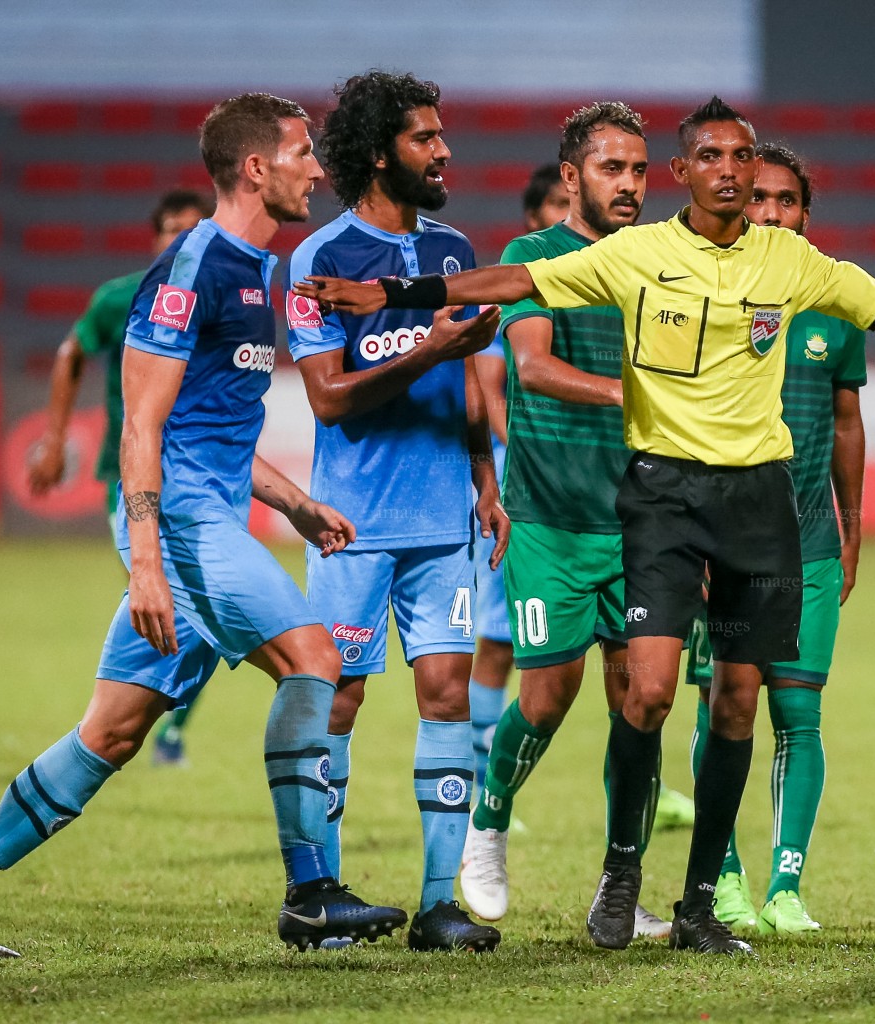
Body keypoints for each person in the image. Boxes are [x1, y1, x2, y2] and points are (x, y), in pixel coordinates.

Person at [296, 95, 875, 956]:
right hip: (649, 502)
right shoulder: (639, 253)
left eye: (743, 156)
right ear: (685, 172)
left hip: (755, 504)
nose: (730, 171)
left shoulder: (792, 261)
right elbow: (510, 289)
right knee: (630, 693)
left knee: (732, 702)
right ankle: (586, 855)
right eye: (711, 157)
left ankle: (694, 903)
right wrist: (388, 291)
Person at [0, 93, 407, 958]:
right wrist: (146, 563)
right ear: (256, 167)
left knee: (113, 730)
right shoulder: (193, 269)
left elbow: (207, 430)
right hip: (178, 526)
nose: (317, 170)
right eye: (301, 153)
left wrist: (293, 502)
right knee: (315, 659)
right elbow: (140, 427)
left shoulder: (256, 270)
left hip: (204, 516)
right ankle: (312, 896)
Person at [285, 70, 505, 953]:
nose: (444, 149)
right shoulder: (319, 259)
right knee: (336, 699)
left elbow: (468, 377)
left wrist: (486, 478)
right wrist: (432, 350)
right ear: (380, 154)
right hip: (354, 522)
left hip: (444, 517)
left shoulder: (454, 251)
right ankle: (323, 897)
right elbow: (330, 401)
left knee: (447, 693)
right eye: (425, 137)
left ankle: (438, 903)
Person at [456, 102, 685, 943]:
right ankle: (488, 821)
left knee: (645, 698)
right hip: (551, 519)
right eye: (610, 169)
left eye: (638, 169)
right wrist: (631, 394)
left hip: (646, 520)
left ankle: (620, 883)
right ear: (571, 178)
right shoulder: (535, 256)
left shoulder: (664, 262)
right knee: (548, 696)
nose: (629, 185)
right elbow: (534, 366)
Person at [684, 142, 865, 936]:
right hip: (720, 538)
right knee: (725, 704)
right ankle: (721, 880)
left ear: (805, 214)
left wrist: (852, 525)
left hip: (811, 540)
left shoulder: (832, 301)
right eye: (758, 198)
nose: (770, 212)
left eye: (787, 200)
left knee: (798, 711)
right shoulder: (704, 291)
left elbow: (848, 421)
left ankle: (786, 888)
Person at [27, 188, 215, 770]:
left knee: (204, 620)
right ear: (154, 237)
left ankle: (156, 729)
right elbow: (71, 354)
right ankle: (117, 729)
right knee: (176, 609)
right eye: (171, 230)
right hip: (135, 480)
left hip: (205, 481)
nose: (182, 240)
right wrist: (56, 441)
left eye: (194, 229)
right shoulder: (121, 297)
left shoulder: (219, 294)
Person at [463, 163, 567, 823]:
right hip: (512, 483)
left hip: (569, 486)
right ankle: (480, 778)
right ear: (532, 221)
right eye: (556, 205)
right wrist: (519, 454)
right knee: (498, 641)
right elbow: (487, 389)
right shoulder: (514, 289)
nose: (566, 215)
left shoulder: (593, 285)